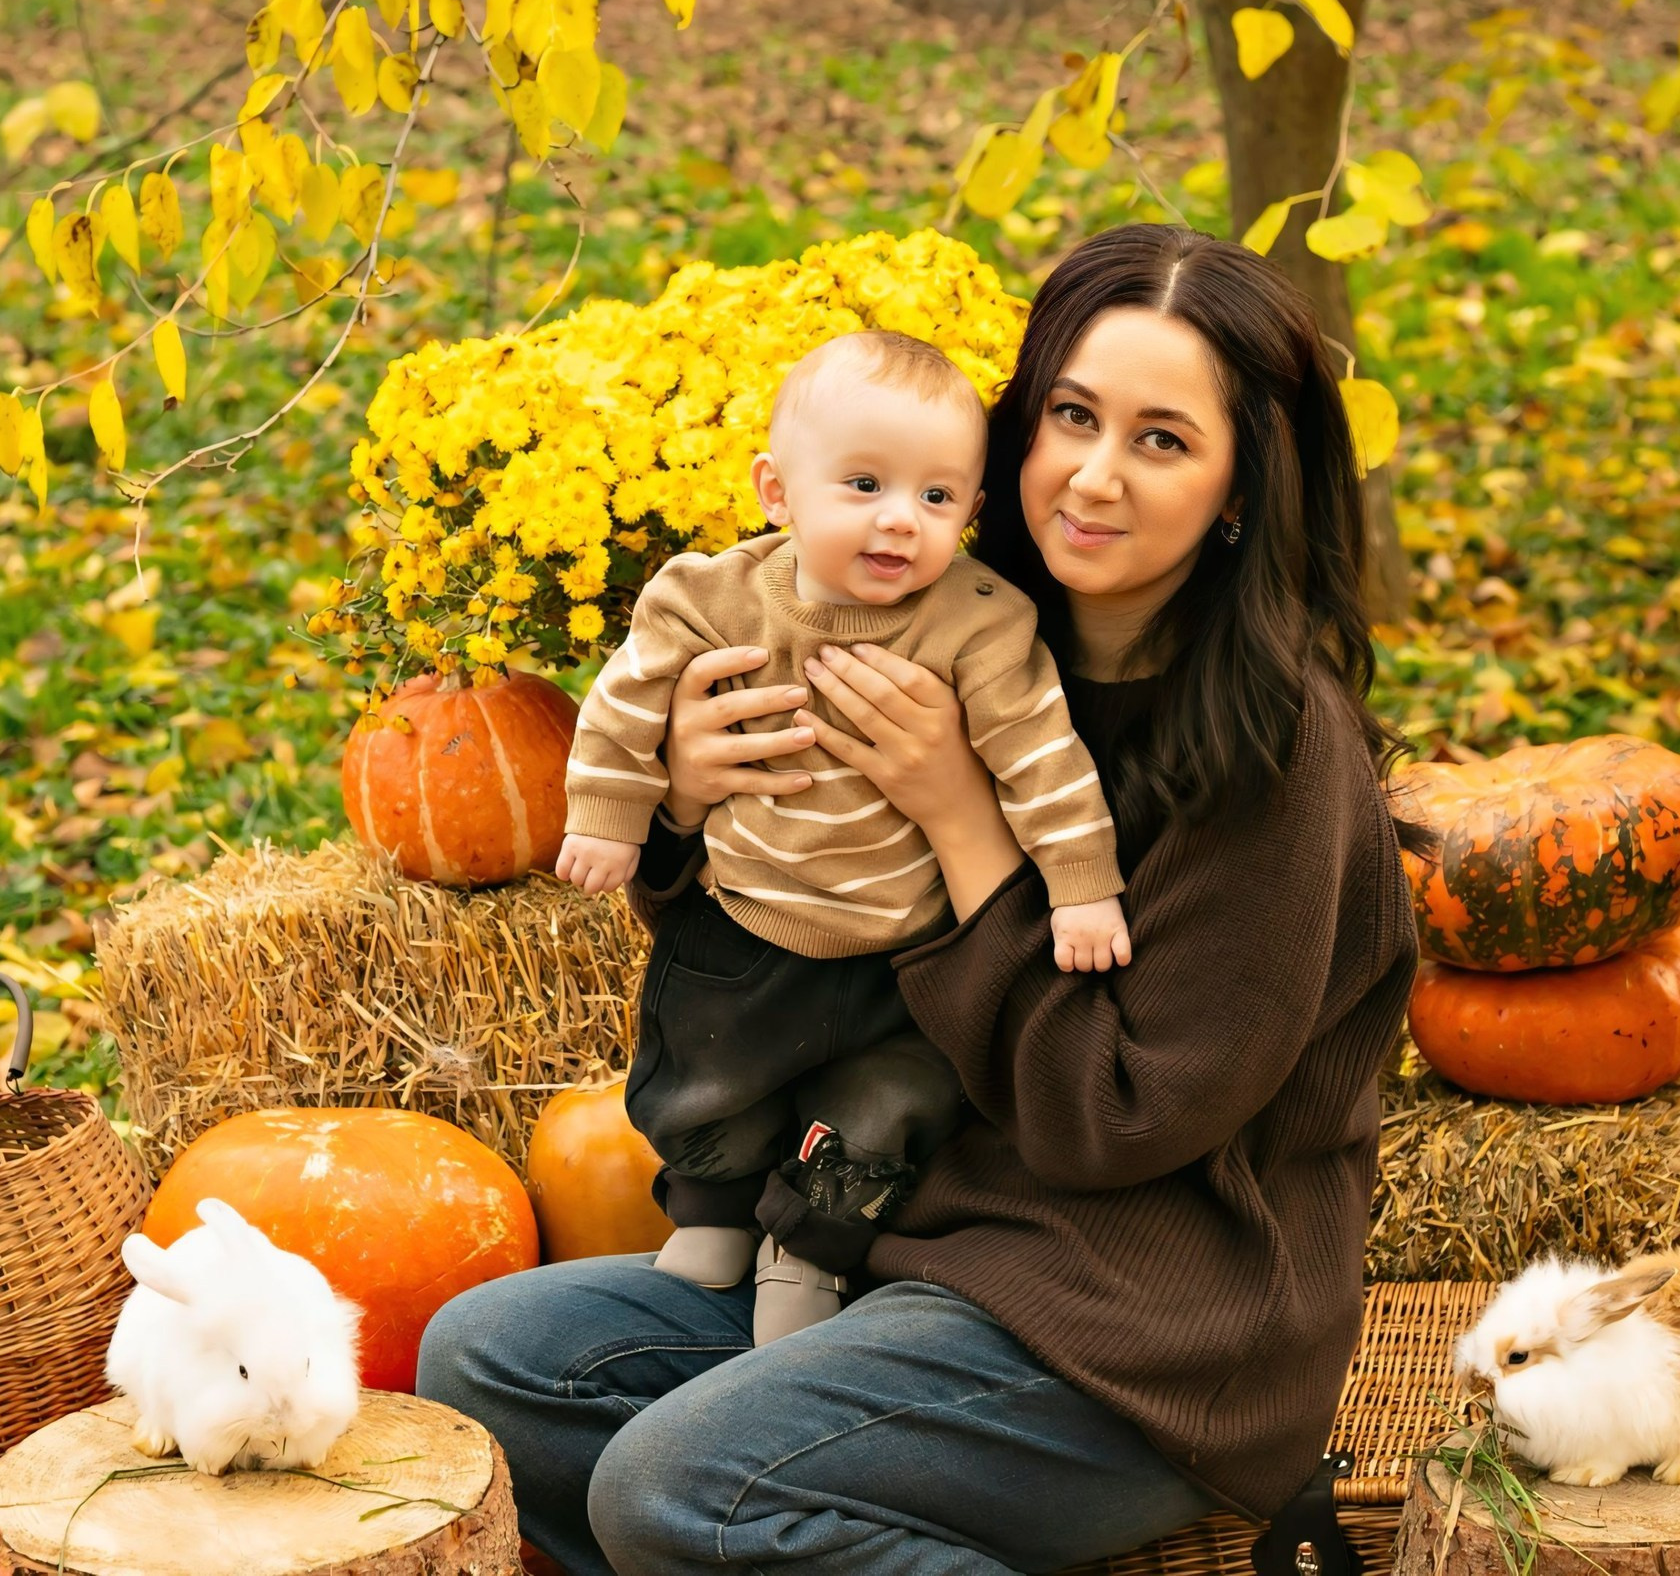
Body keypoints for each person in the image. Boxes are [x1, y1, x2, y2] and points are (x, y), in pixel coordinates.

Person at [419, 222, 1424, 1576]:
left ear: (1242, 486)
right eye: (1072, 414)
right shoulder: (954, 622)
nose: (1094, 474)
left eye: (1162, 439)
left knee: (682, 1486)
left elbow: (1115, 1119)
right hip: (902, 1232)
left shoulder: (1277, 752)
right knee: (491, 1362)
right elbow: (807, 942)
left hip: (1146, 1329)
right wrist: (687, 813)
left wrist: (963, 819)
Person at [553, 327, 1131, 1345]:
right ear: (777, 490)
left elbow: (1041, 754)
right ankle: (713, 1206)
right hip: (745, 921)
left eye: (937, 498)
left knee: (878, 1116)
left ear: (972, 512)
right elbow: (623, 703)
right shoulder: (709, 595)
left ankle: (806, 1256)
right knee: (702, 1089)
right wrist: (614, 814)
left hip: (901, 952)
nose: (901, 521)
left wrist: (1081, 884)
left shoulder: (981, 625)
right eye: (863, 484)